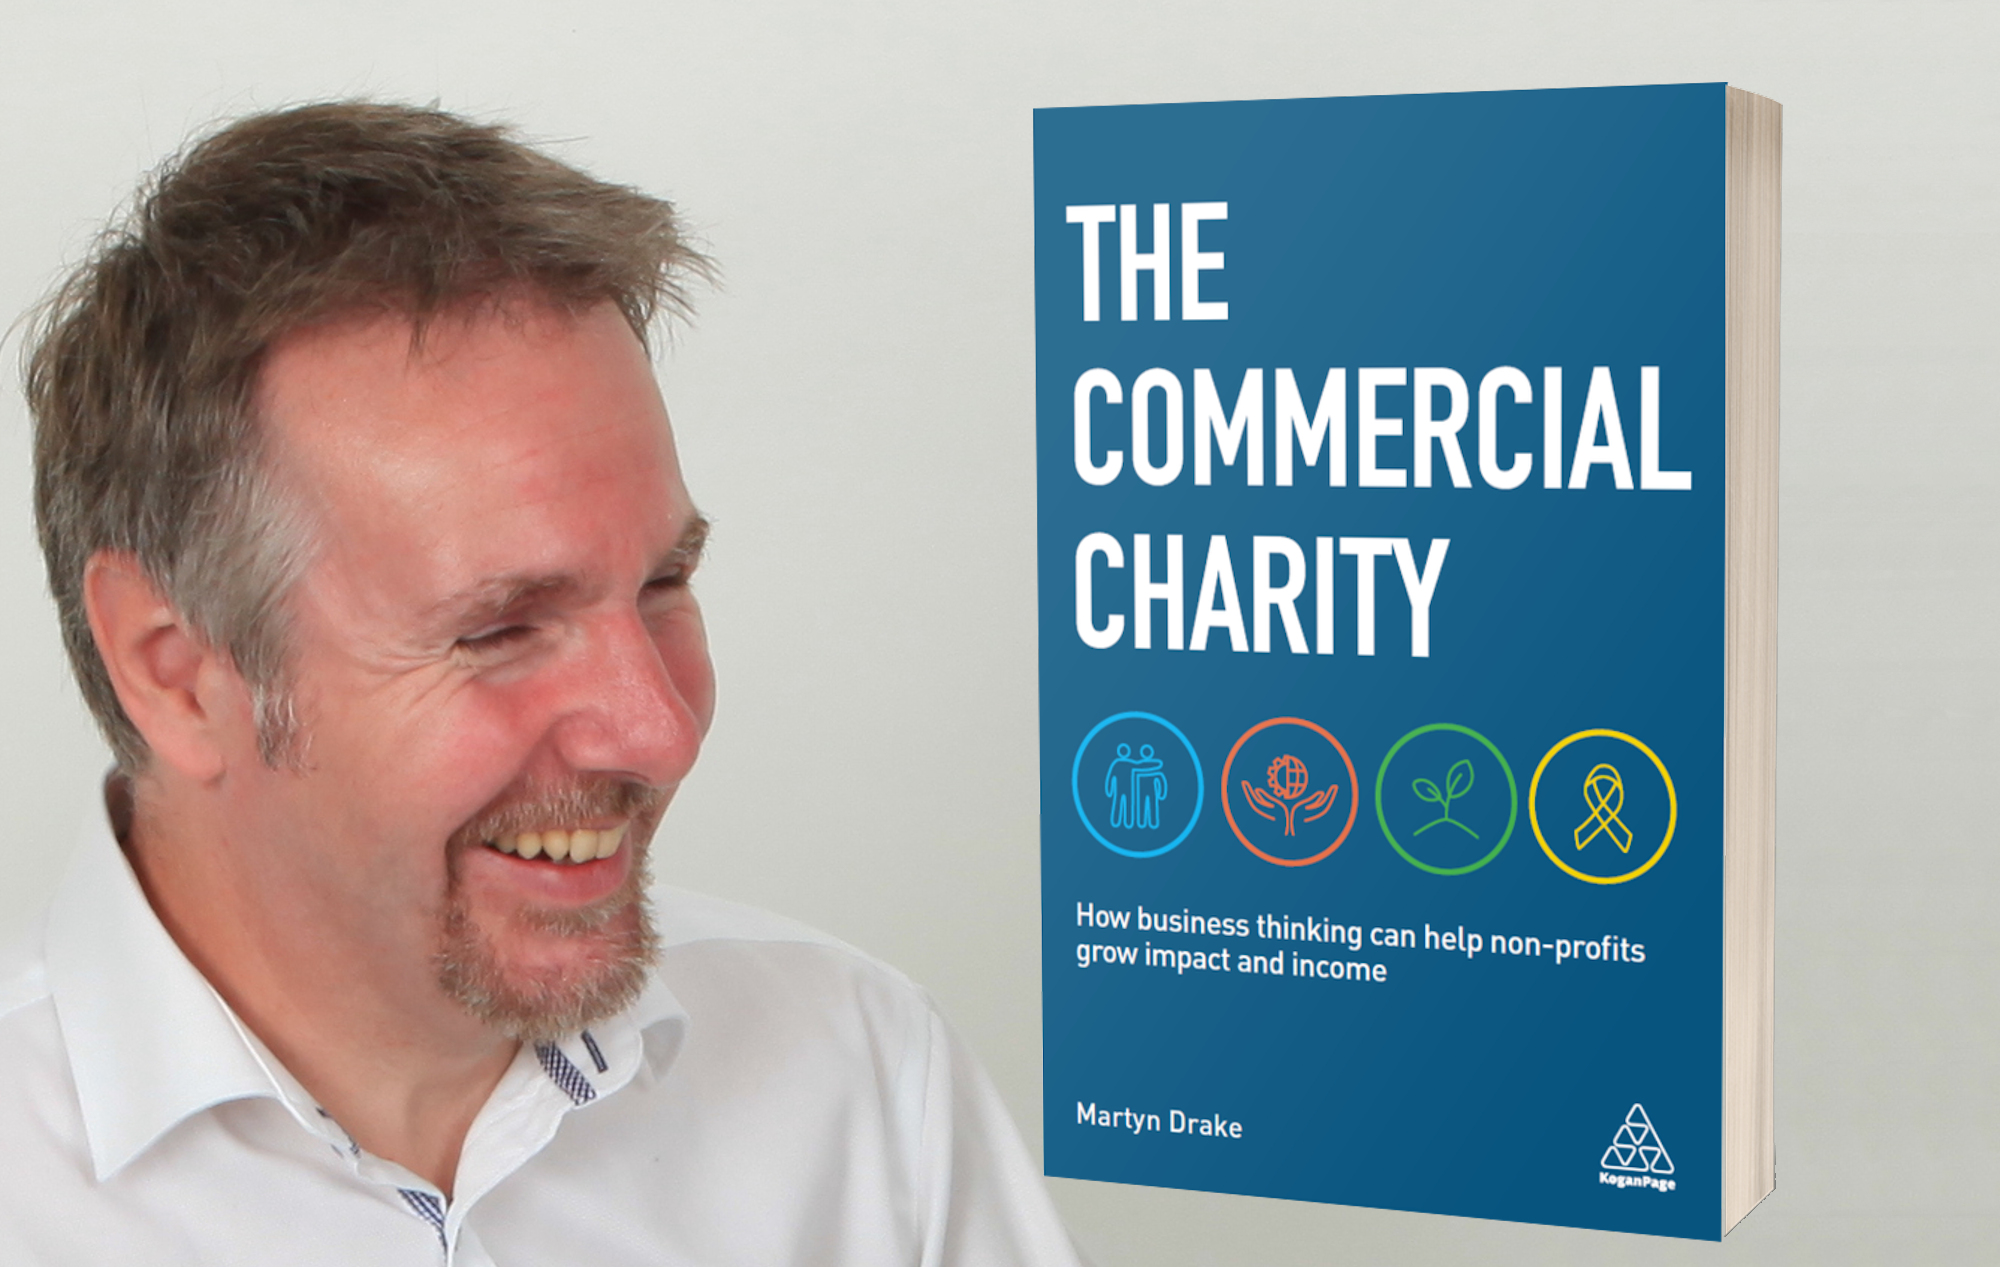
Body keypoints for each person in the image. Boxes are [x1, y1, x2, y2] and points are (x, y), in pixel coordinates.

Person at [0, 101, 1083, 1265]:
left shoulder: (862, 1084)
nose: (657, 730)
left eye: (663, 581)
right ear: (177, 673)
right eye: (502, 627)